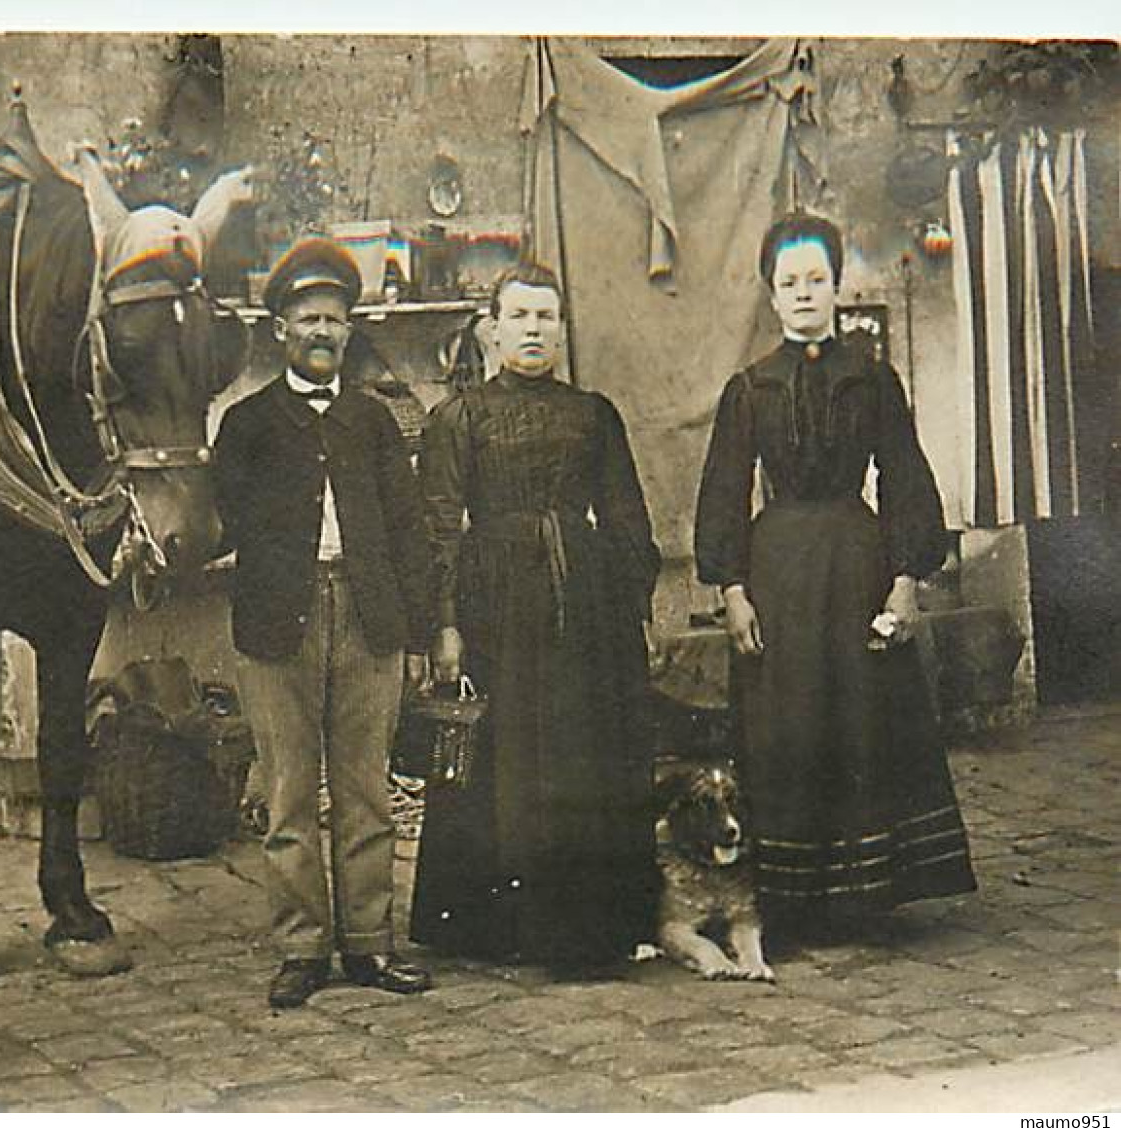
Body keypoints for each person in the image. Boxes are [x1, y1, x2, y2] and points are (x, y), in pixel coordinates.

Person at [693, 213, 976, 935]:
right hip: (778, 571)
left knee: (859, 718)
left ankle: (865, 893)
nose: (803, 293)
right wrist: (732, 590)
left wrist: (906, 578)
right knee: (786, 722)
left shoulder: (872, 379)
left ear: (836, 285)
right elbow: (724, 491)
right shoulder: (750, 388)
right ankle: (792, 897)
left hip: (858, 561)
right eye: (788, 282)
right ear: (771, 294)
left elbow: (905, 478)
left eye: (816, 279)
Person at [410, 263, 662, 970]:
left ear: (561, 328)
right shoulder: (458, 418)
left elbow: (624, 514)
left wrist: (628, 603)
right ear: (490, 329)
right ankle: (502, 923)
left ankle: (590, 918)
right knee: (505, 759)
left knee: (585, 757)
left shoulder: (592, 413)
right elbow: (439, 526)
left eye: (546, 316)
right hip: (497, 611)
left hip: (583, 610)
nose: (534, 329)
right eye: (519, 316)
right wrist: (447, 622)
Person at [213, 238, 435, 1009]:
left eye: (334, 319)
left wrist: (419, 629)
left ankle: (370, 945)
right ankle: (303, 947)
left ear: (349, 331)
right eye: (307, 317)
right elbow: (221, 522)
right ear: (279, 329)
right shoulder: (245, 425)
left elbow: (409, 532)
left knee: (367, 787)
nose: (321, 331)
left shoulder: (373, 422)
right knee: (289, 793)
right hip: (278, 622)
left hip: (369, 617)